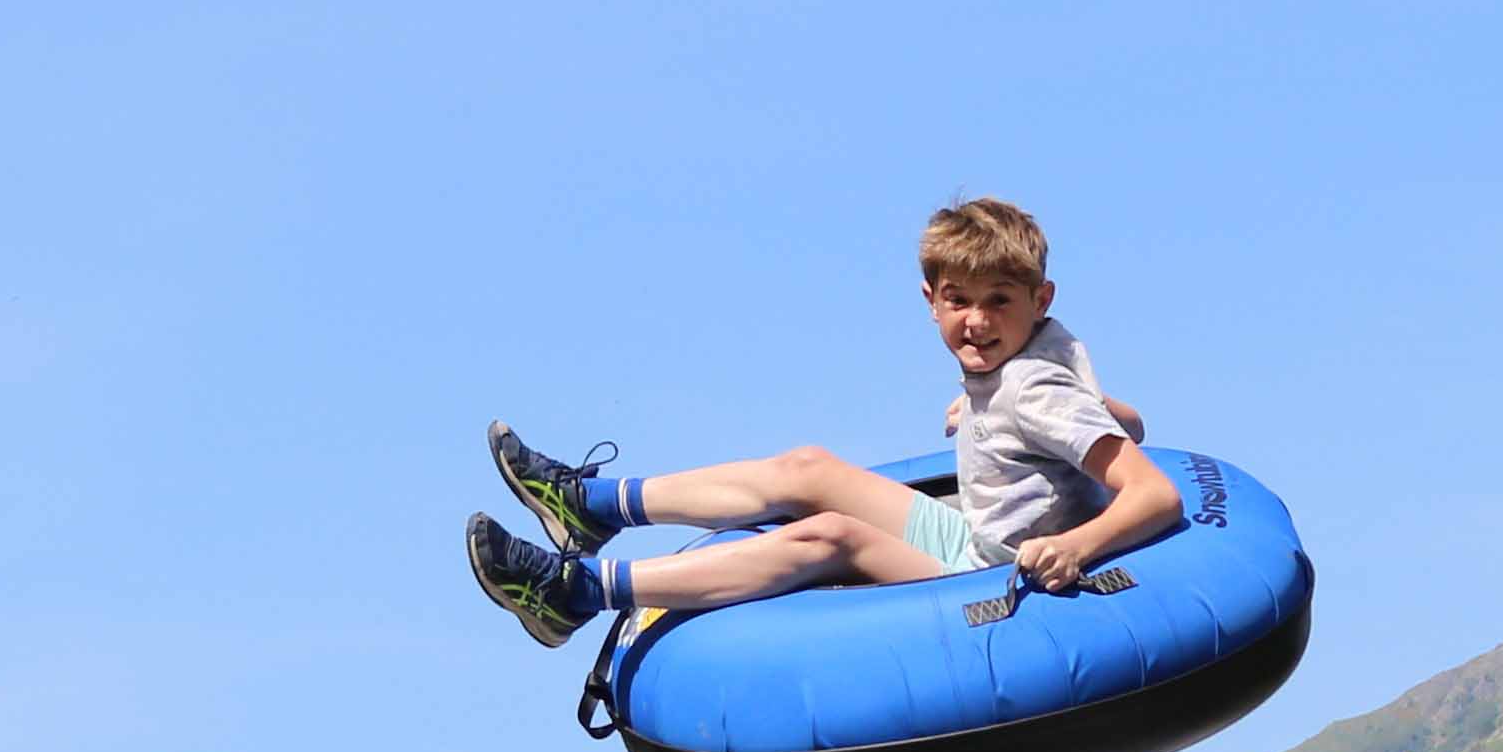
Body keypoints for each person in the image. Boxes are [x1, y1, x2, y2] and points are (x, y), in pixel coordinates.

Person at [464, 199, 1183, 646]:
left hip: (993, 568)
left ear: (1039, 296)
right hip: (979, 532)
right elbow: (1128, 421)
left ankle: (578, 591)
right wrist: (988, 408)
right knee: (809, 467)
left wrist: (1077, 545)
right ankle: (588, 505)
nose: (976, 320)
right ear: (930, 300)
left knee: (831, 536)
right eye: (959, 299)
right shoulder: (1041, 359)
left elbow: (1156, 495)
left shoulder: (1033, 389)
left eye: (999, 301)